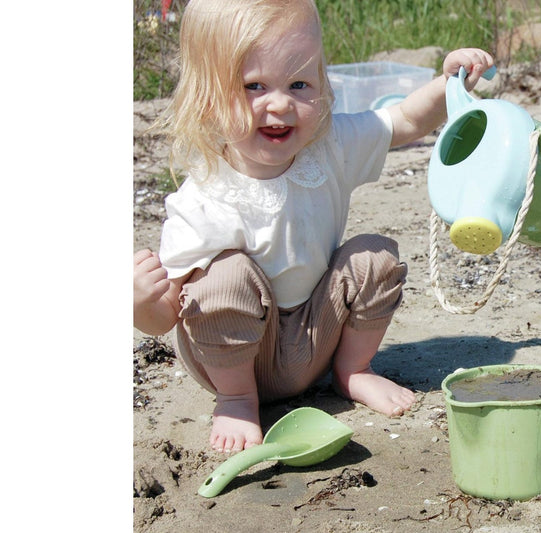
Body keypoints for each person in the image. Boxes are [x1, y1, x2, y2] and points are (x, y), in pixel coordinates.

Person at [133, 0, 494, 454]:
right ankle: (238, 401)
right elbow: (166, 315)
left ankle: (353, 370)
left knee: (374, 255)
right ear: (208, 97)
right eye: (253, 85)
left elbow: (403, 120)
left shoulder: (329, 147)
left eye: (299, 83)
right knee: (222, 278)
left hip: (314, 337)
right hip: (234, 357)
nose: (280, 103)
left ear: (322, 85)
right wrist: (139, 305)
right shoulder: (204, 199)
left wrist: (447, 84)